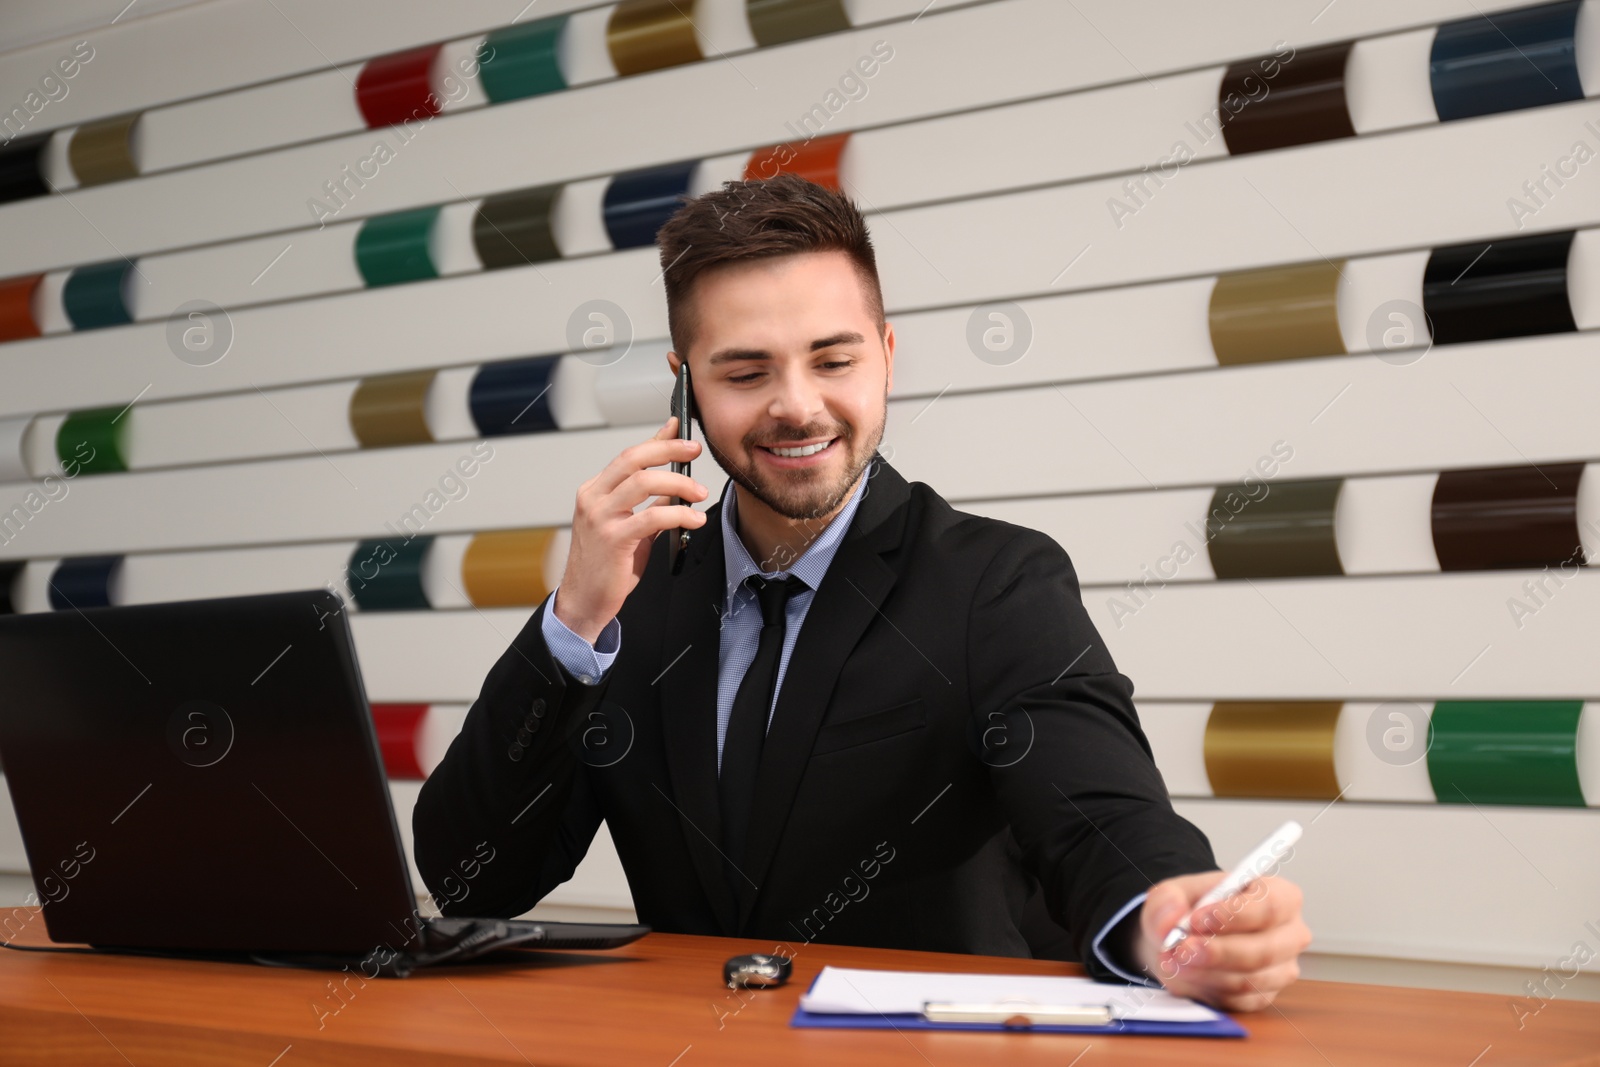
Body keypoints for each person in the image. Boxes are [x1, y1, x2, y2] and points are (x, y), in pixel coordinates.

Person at [414, 173, 1310, 1011]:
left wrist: (1161, 912)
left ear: (885, 357)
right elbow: (471, 876)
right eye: (745, 371)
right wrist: (574, 620)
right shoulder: (626, 606)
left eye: (832, 360)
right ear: (685, 387)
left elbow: (1101, 815)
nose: (797, 406)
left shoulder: (993, 584)